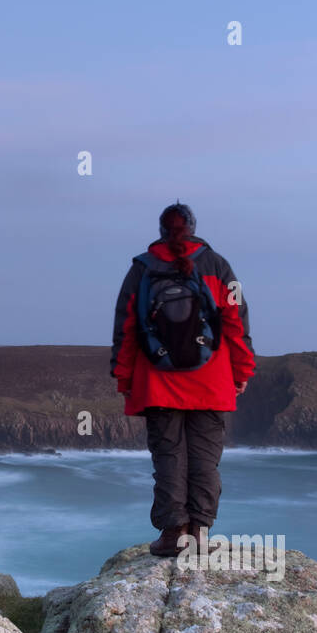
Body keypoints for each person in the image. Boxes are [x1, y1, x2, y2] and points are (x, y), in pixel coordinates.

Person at [110, 203, 255, 556]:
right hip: (211, 379)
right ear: (192, 227)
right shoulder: (219, 266)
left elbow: (126, 327)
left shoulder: (141, 269)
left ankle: (174, 534)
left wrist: (124, 376)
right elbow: (236, 320)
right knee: (205, 458)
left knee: (169, 455)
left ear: (161, 230)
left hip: (157, 379)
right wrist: (242, 370)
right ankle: (200, 534)